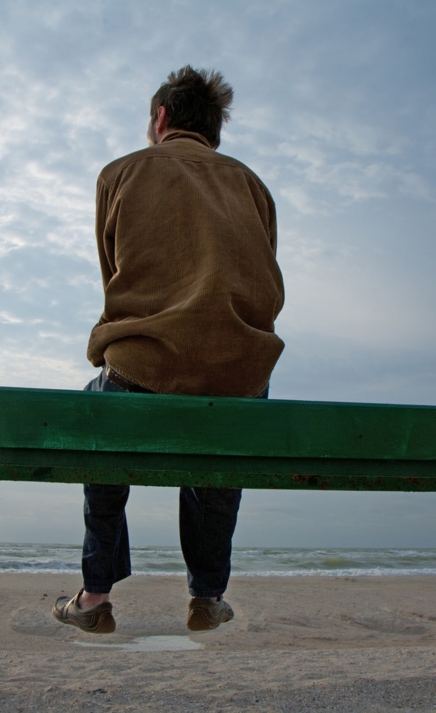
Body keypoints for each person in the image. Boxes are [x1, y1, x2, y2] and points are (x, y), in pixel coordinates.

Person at [52, 65, 285, 634]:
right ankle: (207, 597)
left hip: (143, 368)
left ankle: (95, 594)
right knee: (219, 445)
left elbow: (115, 279)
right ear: (214, 129)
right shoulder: (253, 185)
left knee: (100, 422)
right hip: (240, 375)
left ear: (160, 118)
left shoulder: (121, 173)